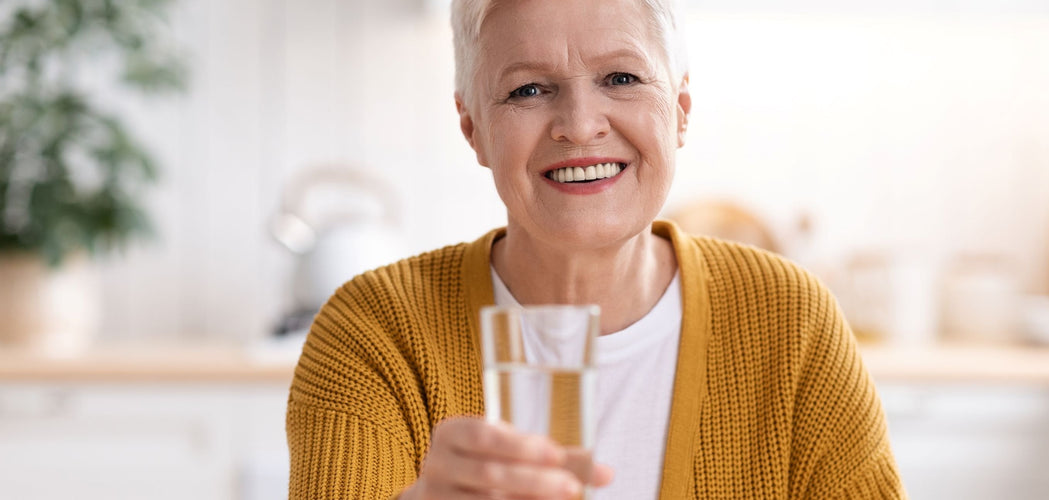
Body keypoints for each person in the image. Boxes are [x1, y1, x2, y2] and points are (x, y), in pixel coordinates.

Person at [286, 0, 906, 498]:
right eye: (529, 89)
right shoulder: (372, 332)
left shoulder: (789, 321)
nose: (580, 125)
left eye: (621, 78)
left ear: (681, 109)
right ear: (472, 126)